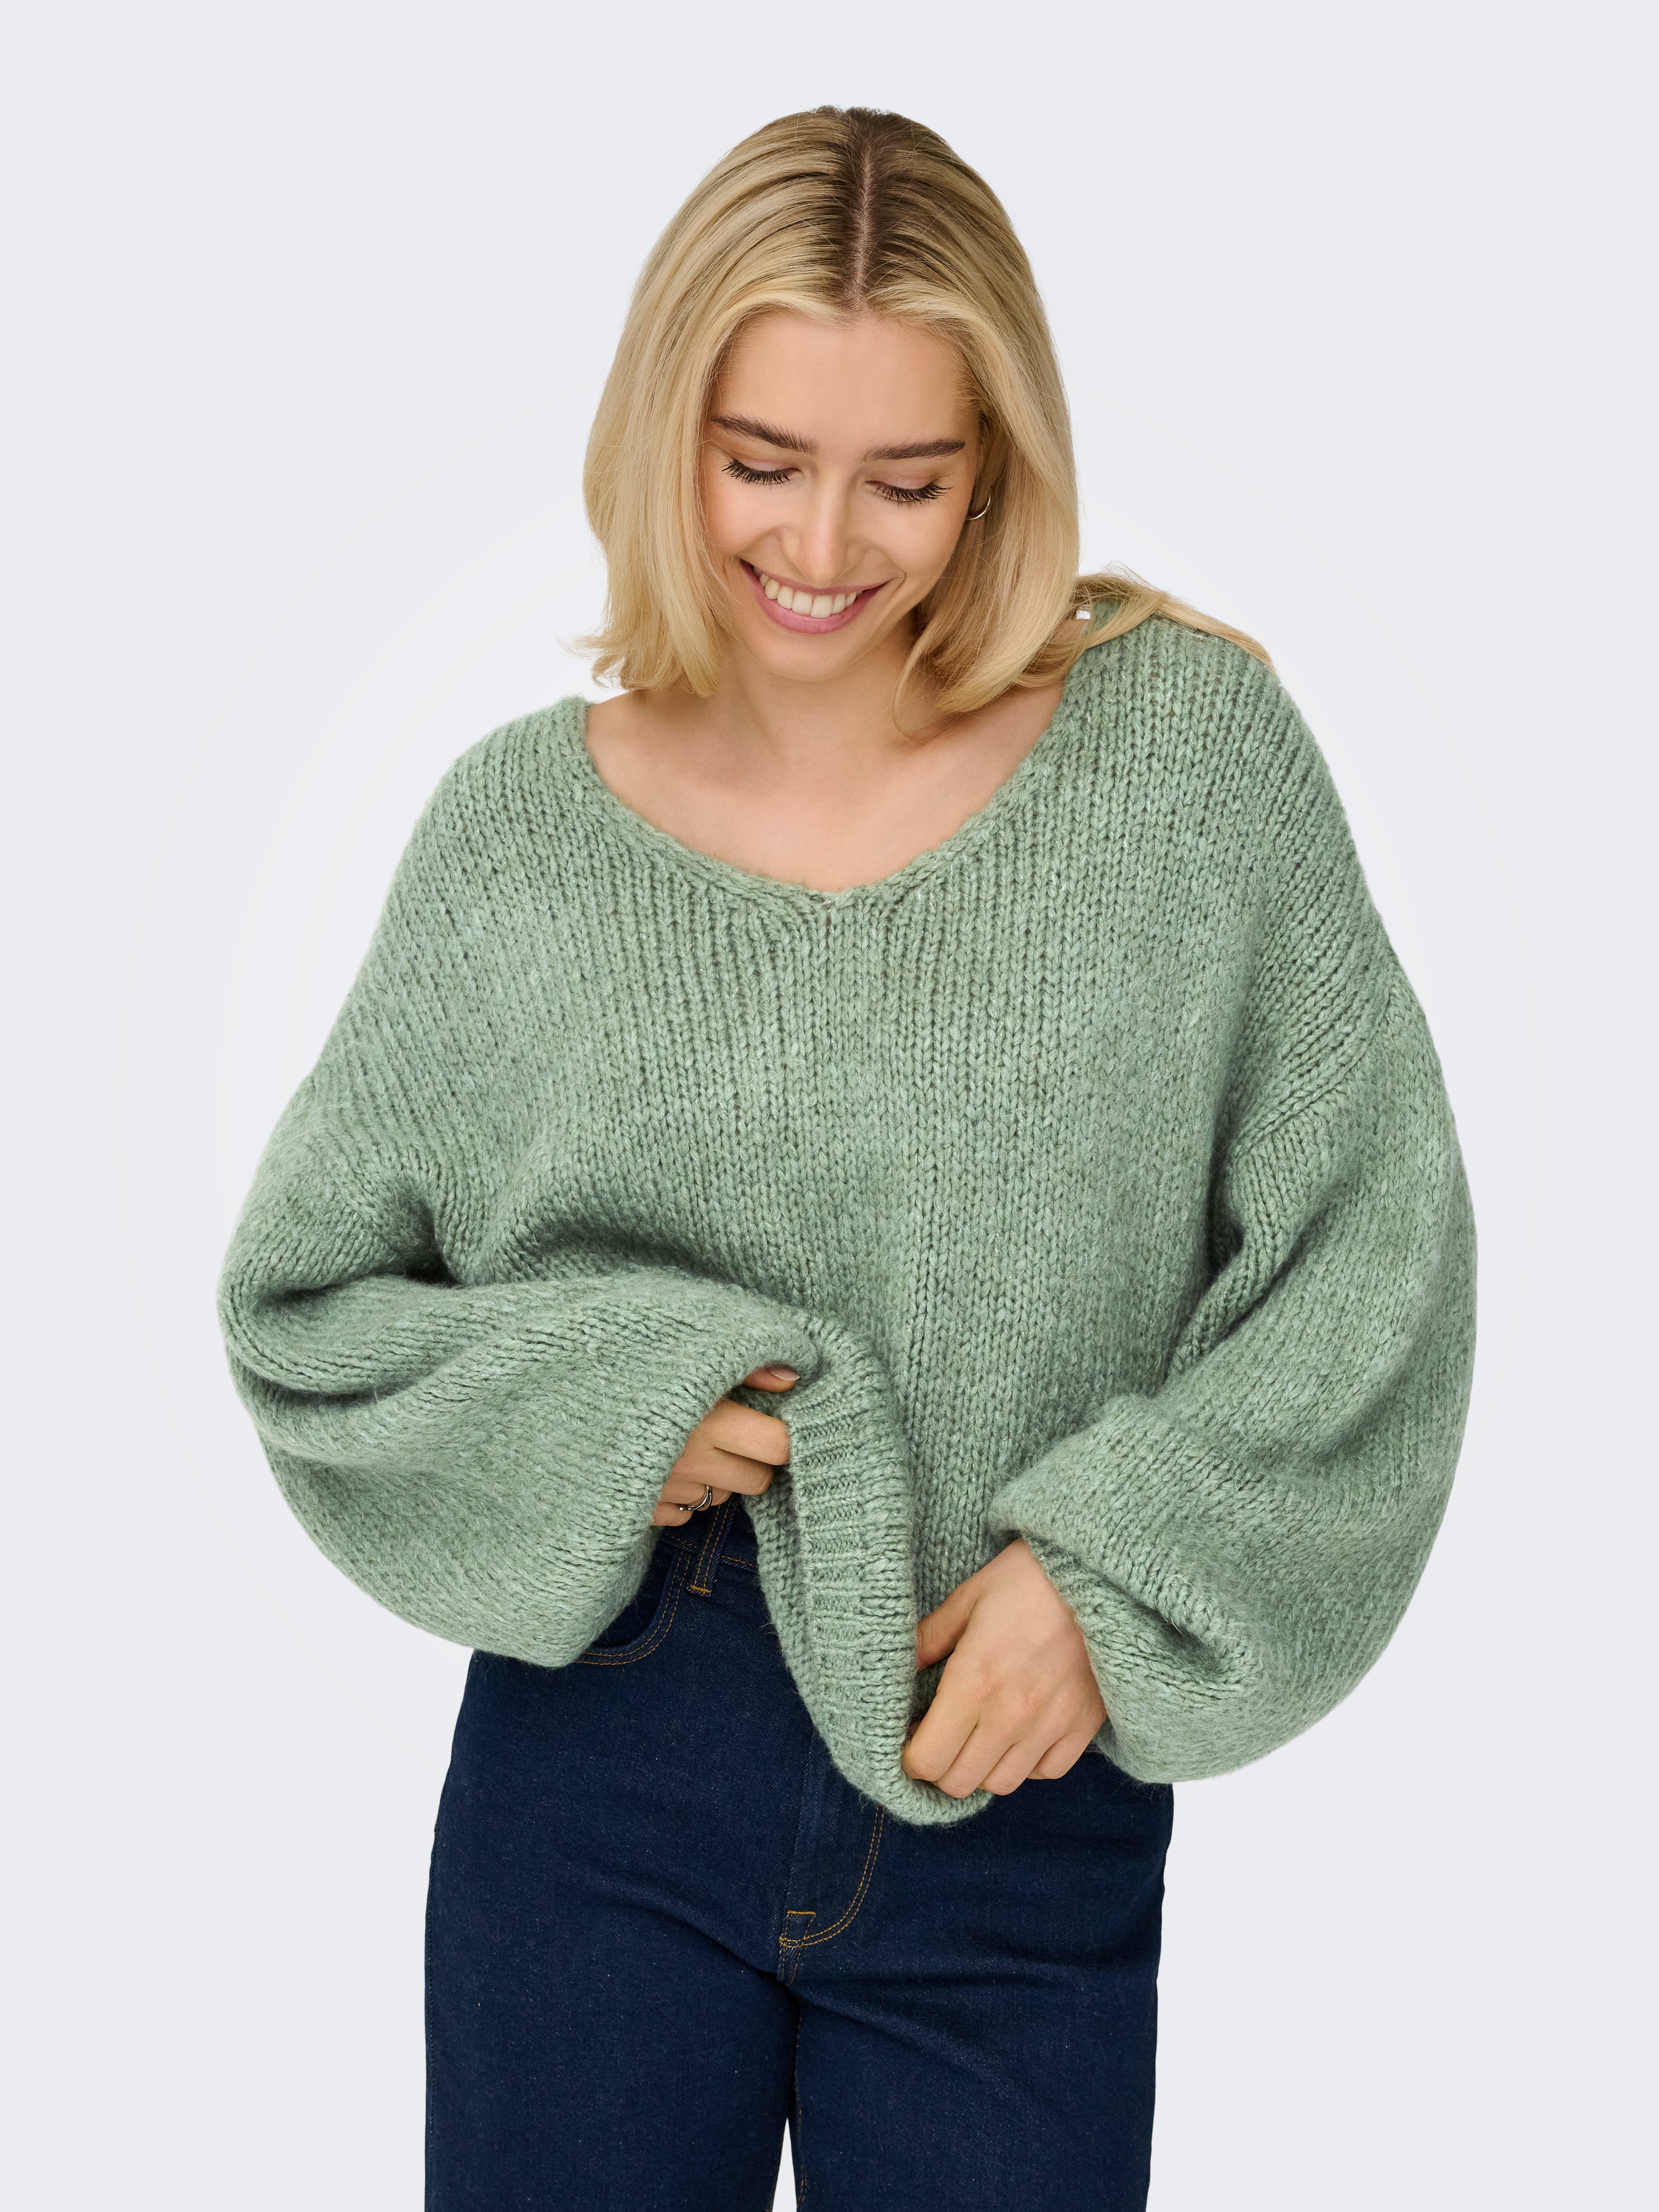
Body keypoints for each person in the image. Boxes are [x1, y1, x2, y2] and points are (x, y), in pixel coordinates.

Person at [218, 105, 1477, 2212]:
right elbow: (308, 1316)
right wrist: (606, 1408)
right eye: (761, 459)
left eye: (908, 475)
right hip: (605, 1771)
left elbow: (1377, 1264)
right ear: (666, 432)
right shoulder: (518, 842)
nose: (824, 542)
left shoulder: (1188, 769)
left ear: (997, 465)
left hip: (1013, 1775)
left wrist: (1111, 1577)